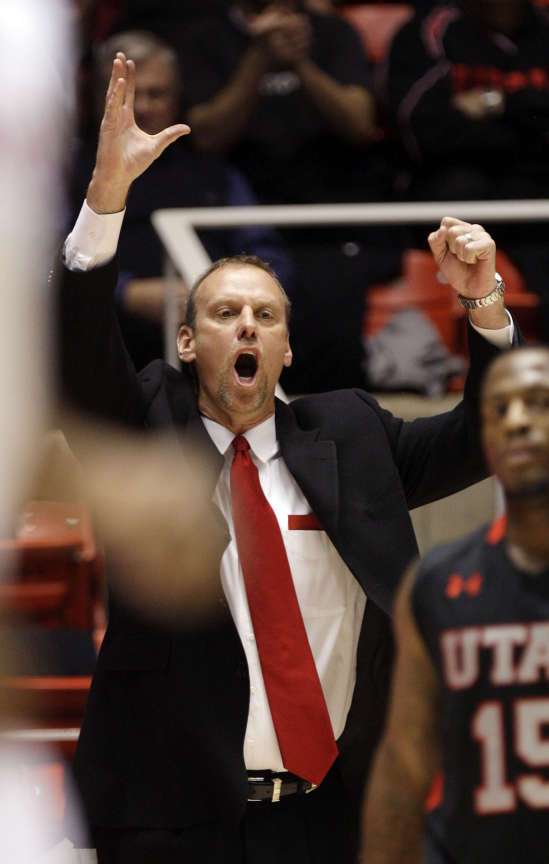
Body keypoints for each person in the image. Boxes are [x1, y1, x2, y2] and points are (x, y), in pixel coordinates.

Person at [57, 54, 517, 864]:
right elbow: (78, 359)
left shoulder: (351, 433)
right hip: (171, 818)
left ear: (287, 347)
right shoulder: (148, 421)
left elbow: (484, 435)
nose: (245, 326)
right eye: (224, 312)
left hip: (329, 816)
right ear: (188, 342)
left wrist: (481, 303)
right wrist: (105, 199)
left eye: (264, 315)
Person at [362, 345, 549, 863]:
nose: (516, 422)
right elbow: (404, 768)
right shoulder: (437, 586)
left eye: (537, 403)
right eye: (499, 409)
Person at [177, 0, 400, 392]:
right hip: (238, 221)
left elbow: (361, 124)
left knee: (330, 352)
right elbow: (206, 136)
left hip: (328, 220)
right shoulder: (204, 38)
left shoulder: (332, 33)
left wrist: (300, 63)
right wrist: (260, 57)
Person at [71, 29, 293, 371]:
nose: (142, 107)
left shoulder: (217, 176)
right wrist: (126, 293)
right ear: (99, 100)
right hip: (103, 339)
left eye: (155, 94)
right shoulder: (67, 176)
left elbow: (270, 258)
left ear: (177, 98)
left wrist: (222, 299)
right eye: (129, 96)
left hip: (211, 341)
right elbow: (40, 263)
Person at [385, 0, 549, 336]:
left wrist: (495, 103)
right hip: (453, 193)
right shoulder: (431, 30)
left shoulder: (542, 28)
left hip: (535, 189)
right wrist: (523, 118)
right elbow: (421, 131)